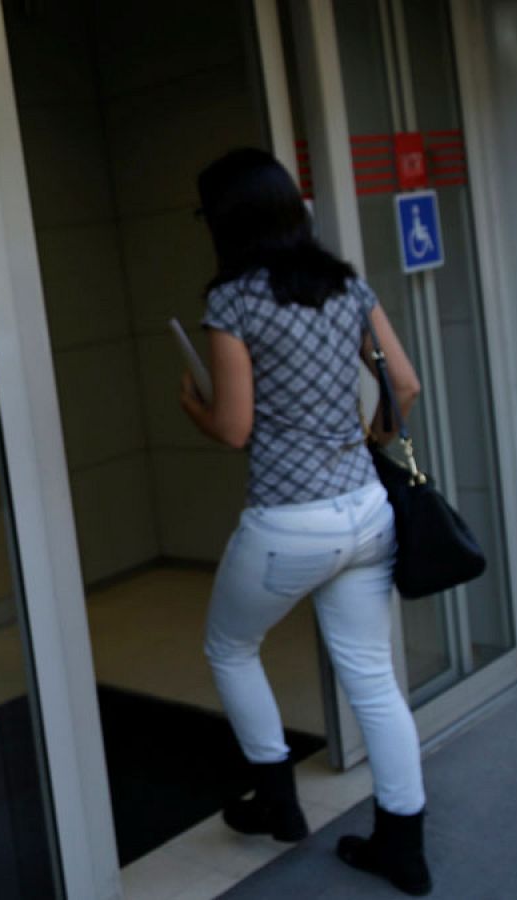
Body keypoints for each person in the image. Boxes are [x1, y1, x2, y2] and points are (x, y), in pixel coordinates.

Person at [178, 147, 433, 896]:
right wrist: (377, 436)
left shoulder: (233, 301)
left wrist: (194, 406)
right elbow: (406, 381)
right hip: (367, 512)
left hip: (289, 523)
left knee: (230, 645)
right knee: (373, 681)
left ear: (226, 221)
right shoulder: (344, 285)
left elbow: (234, 427)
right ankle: (404, 845)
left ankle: (278, 801)